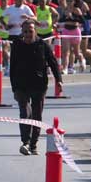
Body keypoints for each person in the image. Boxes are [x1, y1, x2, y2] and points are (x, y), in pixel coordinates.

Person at [9, 20, 63, 155]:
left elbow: (53, 62)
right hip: (21, 85)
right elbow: (13, 67)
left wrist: (59, 80)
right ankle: (25, 142)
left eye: (30, 31)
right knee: (25, 112)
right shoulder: (17, 45)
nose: (27, 34)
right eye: (25, 31)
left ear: (35, 31)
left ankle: (33, 144)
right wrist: (14, 88)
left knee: (37, 115)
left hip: (39, 84)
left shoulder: (42, 45)